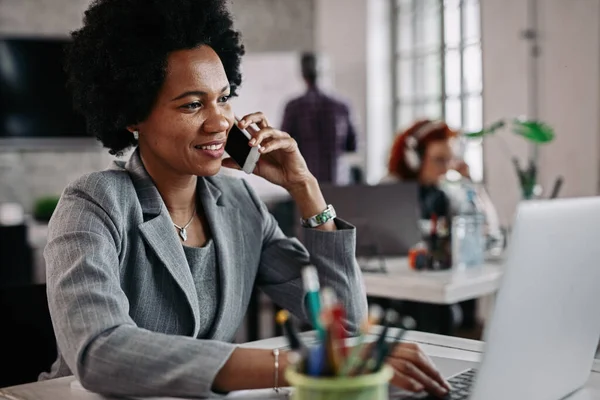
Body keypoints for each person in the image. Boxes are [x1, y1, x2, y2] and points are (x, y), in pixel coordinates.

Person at [39, 0, 450, 398]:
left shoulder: (238, 202)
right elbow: (100, 352)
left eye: (223, 97)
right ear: (132, 116)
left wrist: (305, 188)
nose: (220, 121)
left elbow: (345, 328)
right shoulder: (93, 203)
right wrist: (297, 363)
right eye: (193, 104)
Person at [384, 119, 502, 332]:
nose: (447, 168)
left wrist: (473, 183)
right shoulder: (389, 191)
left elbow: (488, 228)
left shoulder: (444, 194)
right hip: (398, 283)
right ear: (414, 158)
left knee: (462, 308)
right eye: (439, 160)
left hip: (432, 277)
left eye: (450, 160)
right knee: (441, 313)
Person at [281, 52, 358, 184]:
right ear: (324, 72)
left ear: (303, 74)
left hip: (305, 183)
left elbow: (283, 146)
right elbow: (353, 145)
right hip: (338, 182)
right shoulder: (342, 105)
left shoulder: (294, 107)